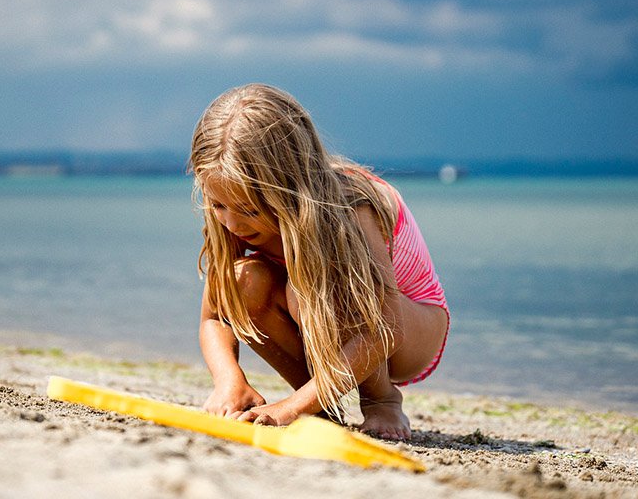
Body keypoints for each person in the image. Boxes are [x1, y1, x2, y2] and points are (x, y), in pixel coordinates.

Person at [189, 83, 450, 441]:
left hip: (408, 331)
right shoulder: (234, 202)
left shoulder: (350, 207)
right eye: (218, 206)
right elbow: (214, 316)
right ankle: (320, 406)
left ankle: (382, 399)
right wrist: (230, 381)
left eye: (249, 210)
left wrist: (291, 408)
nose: (232, 223)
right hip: (326, 322)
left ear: (289, 187)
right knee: (240, 282)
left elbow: (383, 325)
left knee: (309, 286)